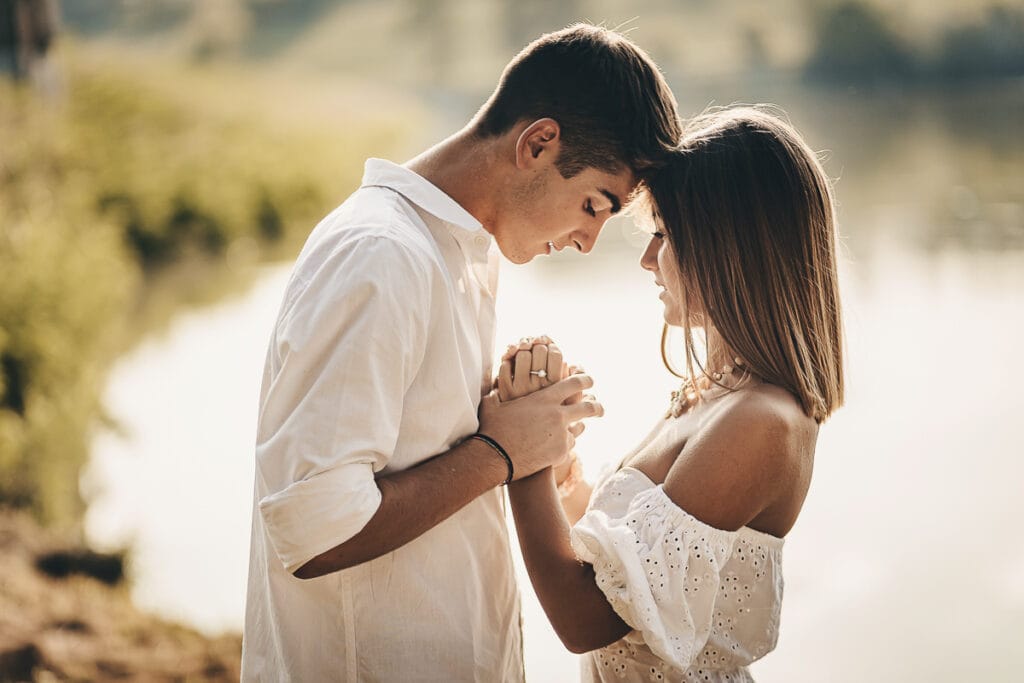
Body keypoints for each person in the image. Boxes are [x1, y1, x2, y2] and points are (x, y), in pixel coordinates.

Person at [241, 24, 682, 682]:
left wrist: (517, 426)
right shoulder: (381, 254)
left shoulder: (459, 253)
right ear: (537, 143)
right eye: (594, 204)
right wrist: (500, 453)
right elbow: (315, 530)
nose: (588, 240)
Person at [499, 107, 844, 682]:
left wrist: (522, 457)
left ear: (731, 247)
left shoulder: (762, 421)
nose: (646, 259)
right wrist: (562, 473)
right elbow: (633, 575)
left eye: (664, 234)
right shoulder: (712, 391)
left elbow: (588, 621)